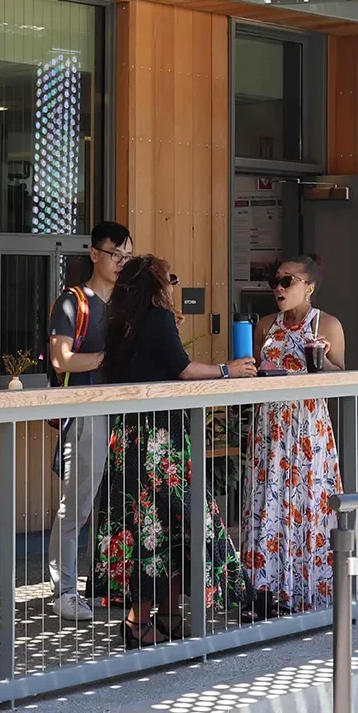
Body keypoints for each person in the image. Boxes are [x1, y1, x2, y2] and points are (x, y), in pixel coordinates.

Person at [92, 255, 257, 647]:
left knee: (143, 527)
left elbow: (140, 364)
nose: (173, 286)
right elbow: (182, 369)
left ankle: (158, 617)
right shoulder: (158, 320)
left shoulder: (118, 322)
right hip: (161, 436)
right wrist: (227, 370)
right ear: (156, 285)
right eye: (170, 280)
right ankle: (142, 621)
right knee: (173, 524)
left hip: (127, 437)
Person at [244, 255, 346, 614]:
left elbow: (340, 377)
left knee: (307, 501)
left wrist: (323, 361)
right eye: (276, 280)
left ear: (310, 287)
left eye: (288, 281)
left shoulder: (326, 324)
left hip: (307, 426)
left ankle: (308, 591)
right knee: (268, 504)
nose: (279, 287)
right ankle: (265, 592)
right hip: (270, 426)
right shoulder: (265, 326)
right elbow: (255, 371)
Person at [46, 221, 133, 622]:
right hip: (85, 411)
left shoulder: (126, 304)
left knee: (120, 502)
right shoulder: (72, 302)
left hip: (124, 411)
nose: (121, 262)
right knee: (76, 504)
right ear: (94, 253)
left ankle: (110, 582)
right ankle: (63, 589)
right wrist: (109, 358)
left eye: (127, 256)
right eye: (115, 254)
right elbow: (61, 359)